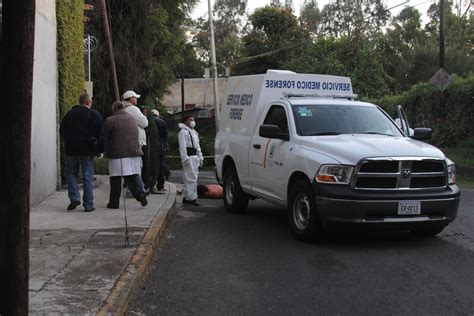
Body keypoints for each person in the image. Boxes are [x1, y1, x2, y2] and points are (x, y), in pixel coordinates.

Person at [59, 93, 104, 212]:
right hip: (88, 149)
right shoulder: (94, 115)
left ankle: (74, 197)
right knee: (88, 176)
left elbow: (62, 131)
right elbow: (101, 134)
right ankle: (88, 205)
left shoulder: (69, 114)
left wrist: (67, 142)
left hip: (72, 149)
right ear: (89, 102)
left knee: (70, 173)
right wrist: (101, 149)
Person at [104, 101, 147, 209]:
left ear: (114, 109)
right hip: (133, 152)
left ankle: (114, 203)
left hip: (117, 153)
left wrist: (103, 150)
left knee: (115, 179)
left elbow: (105, 137)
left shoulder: (110, 120)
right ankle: (140, 193)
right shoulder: (132, 119)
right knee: (132, 176)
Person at [122, 90, 148, 193]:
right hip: (136, 140)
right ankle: (137, 189)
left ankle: (132, 188)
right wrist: (144, 116)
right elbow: (144, 123)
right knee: (137, 166)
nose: (136, 99)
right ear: (131, 98)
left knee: (129, 166)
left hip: (126, 140)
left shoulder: (123, 109)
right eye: (135, 97)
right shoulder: (133, 109)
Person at [178, 115, 203, 206]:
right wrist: (185, 158)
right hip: (189, 156)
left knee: (193, 178)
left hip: (194, 156)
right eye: (190, 119)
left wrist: (200, 157)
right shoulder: (183, 132)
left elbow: (197, 146)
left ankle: (190, 196)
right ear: (185, 121)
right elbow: (182, 146)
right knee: (190, 178)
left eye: (193, 119)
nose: (192, 121)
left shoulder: (194, 132)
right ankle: (190, 198)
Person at [151, 109, 169, 192]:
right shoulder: (162, 122)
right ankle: (160, 186)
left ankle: (151, 185)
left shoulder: (148, 122)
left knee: (150, 166)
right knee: (160, 166)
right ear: (157, 115)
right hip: (160, 147)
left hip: (150, 148)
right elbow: (165, 136)